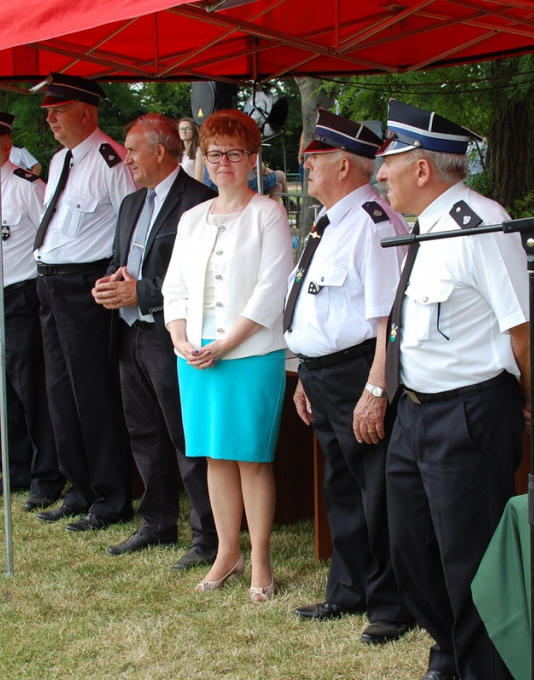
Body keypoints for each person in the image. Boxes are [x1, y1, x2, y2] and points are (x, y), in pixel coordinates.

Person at [375, 99, 534, 680]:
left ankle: (482, 669)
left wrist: (530, 401)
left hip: (470, 411)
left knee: (470, 556)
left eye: (389, 161)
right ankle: (451, 648)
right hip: (415, 410)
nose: (380, 173)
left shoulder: (480, 225)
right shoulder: (423, 228)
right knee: (411, 549)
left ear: (422, 168)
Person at [284, 109, 413, 644]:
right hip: (323, 374)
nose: (305, 166)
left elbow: (389, 320)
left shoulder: (374, 223)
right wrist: (304, 374)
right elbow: (314, 311)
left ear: (343, 164)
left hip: (361, 373)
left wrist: (375, 391)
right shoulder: (330, 220)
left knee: (376, 488)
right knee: (341, 485)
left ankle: (390, 604)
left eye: (314, 158)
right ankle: (349, 587)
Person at [162, 109, 294, 603]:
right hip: (196, 357)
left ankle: (259, 556)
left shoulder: (269, 213)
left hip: (250, 354)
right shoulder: (192, 218)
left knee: (252, 458)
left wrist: (227, 343)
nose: (223, 162)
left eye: (234, 153)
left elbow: (270, 289)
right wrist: (180, 336)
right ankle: (226, 550)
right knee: (215, 457)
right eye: (215, 153)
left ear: (252, 158)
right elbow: (174, 286)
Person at [91, 113, 218, 569]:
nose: (126, 159)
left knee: (185, 437)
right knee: (143, 431)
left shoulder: (199, 201)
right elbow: (118, 257)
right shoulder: (130, 203)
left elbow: (199, 275)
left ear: (159, 151)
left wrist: (141, 290)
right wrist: (109, 284)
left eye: (131, 149)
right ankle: (157, 522)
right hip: (129, 333)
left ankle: (208, 535)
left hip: (171, 336)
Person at [33, 74, 136, 532]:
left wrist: (118, 283)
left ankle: (112, 496)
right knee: (59, 391)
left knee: (93, 393)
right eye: (48, 112)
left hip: (85, 286)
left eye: (58, 109)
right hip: (50, 283)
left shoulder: (111, 161)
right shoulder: (59, 161)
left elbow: (131, 226)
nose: (51, 118)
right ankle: (80, 488)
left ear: (85, 112)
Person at [0, 108, 64, 509]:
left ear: (8, 142)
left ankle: (46, 475)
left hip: (18, 298)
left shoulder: (27, 186)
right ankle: (14, 469)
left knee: (30, 389)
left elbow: (49, 240)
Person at [177, 117, 205, 182]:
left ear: (193, 131)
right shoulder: (179, 152)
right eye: (181, 129)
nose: (184, 131)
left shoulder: (198, 152)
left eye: (187, 128)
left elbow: (198, 180)